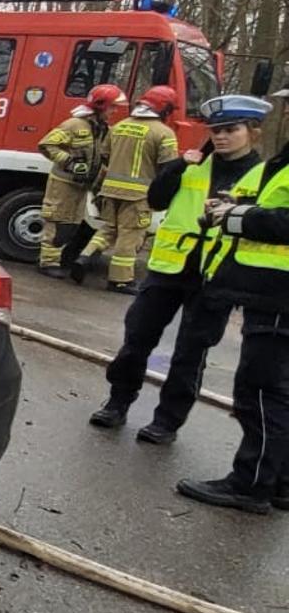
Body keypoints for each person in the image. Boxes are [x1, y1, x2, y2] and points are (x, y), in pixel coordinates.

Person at [86, 95, 265, 443]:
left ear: (253, 132)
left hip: (216, 276)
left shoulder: (262, 177)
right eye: (216, 130)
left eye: (231, 130)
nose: (222, 137)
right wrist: (177, 167)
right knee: (137, 339)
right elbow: (156, 200)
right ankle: (117, 402)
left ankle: (167, 421)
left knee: (190, 353)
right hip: (169, 267)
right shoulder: (193, 164)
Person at [178, 94, 289, 513]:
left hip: (279, 295)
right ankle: (278, 481)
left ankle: (251, 484)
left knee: (261, 390)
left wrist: (236, 217)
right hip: (272, 292)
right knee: (277, 390)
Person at [76, 85, 181, 293]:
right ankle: (120, 280)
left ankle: (84, 256)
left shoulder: (119, 126)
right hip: (139, 194)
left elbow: (104, 155)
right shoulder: (164, 133)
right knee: (129, 236)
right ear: (165, 109)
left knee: (109, 229)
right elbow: (168, 167)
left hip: (109, 190)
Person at [37, 85, 118, 276]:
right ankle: (47, 263)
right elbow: (46, 144)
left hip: (82, 186)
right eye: (112, 107)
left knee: (72, 224)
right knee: (58, 222)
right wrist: (70, 162)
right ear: (100, 106)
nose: (114, 111)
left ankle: (58, 260)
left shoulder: (102, 129)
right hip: (64, 183)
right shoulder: (74, 125)